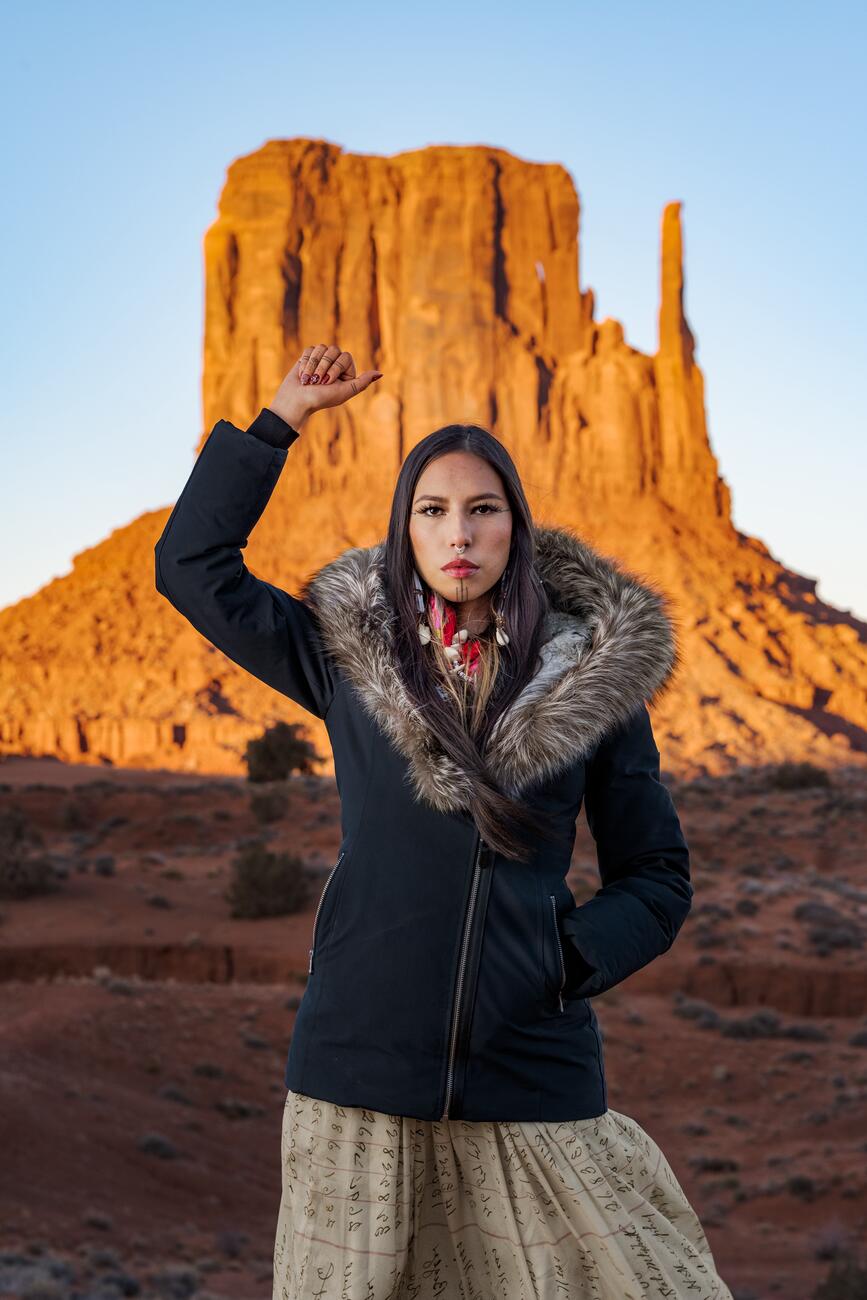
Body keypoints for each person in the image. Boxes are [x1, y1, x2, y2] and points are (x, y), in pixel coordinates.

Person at [154, 345, 734, 1299]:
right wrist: (279, 421)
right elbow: (190, 566)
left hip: (532, 1078)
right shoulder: (343, 660)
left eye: (481, 508)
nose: (456, 532)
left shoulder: (594, 683)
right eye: (431, 511)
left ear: (516, 527)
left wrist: (559, 962)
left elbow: (657, 875)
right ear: (405, 532)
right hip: (357, 1077)